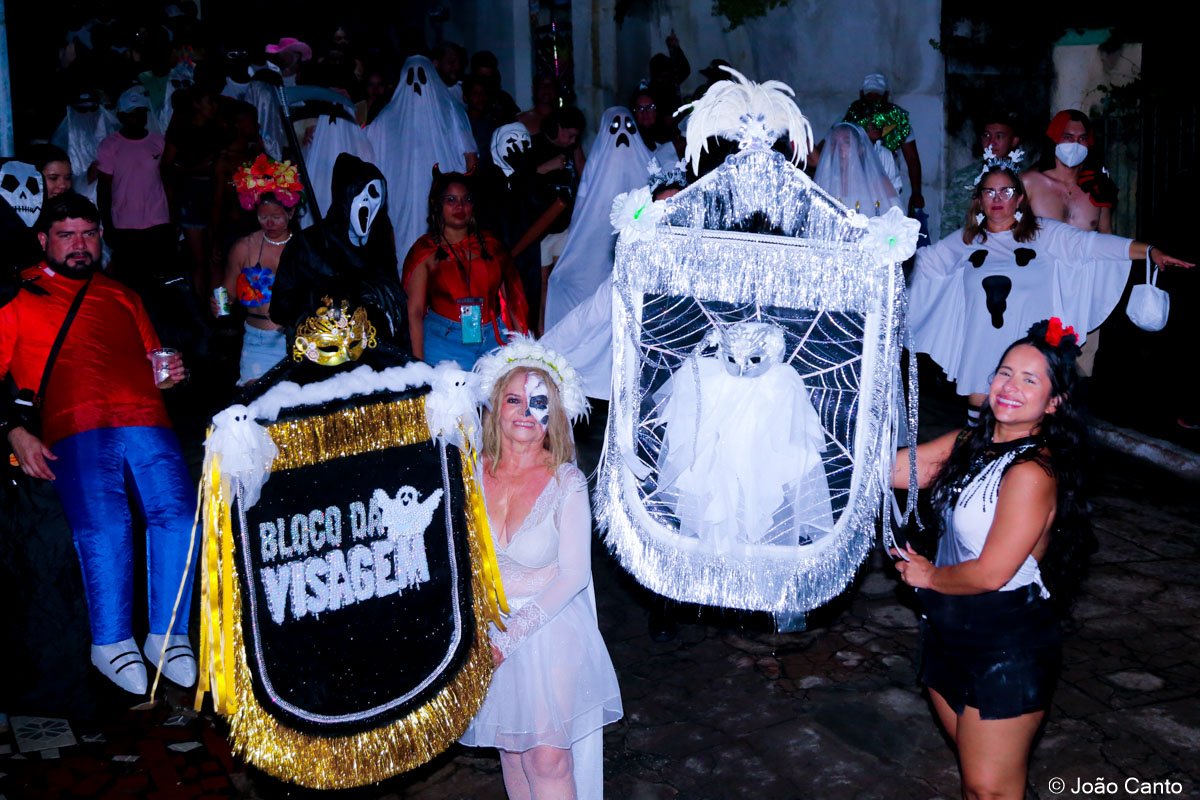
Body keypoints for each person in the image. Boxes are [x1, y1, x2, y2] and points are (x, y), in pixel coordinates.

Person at [889, 319, 1095, 800]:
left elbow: (991, 572)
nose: (1010, 387)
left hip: (1005, 643)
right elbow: (904, 470)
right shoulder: (972, 442)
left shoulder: (1032, 471)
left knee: (990, 790)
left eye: (1030, 380)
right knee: (979, 782)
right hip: (946, 627)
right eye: (1005, 372)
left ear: (1054, 401)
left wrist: (929, 575)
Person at [0, 193, 197, 695]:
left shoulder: (123, 294)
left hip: (149, 419)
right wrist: (15, 431)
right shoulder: (18, 292)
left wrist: (173, 375)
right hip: (77, 423)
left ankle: (169, 634)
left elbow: (160, 368)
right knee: (106, 525)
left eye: (89, 233)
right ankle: (110, 641)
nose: (79, 245)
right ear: (44, 240)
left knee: (177, 517)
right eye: (66, 235)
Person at [461, 342, 622, 800]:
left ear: (556, 414)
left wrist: (510, 638)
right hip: (488, 624)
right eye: (515, 399)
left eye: (539, 403)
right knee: (510, 749)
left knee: (548, 756)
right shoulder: (470, 472)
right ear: (496, 405)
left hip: (547, 626)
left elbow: (574, 576)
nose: (526, 412)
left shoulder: (567, 481)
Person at [908, 163, 1193, 423]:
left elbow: (1093, 246)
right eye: (989, 191)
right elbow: (917, 266)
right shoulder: (963, 241)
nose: (997, 198)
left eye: (1005, 191)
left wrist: (1149, 252)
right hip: (980, 350)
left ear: (1019, 197)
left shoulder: (1045, 234)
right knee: (979, 435)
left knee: (1029, 430)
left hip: (1031, 350)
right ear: (979, 199)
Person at [1021, 110, 1119, 377]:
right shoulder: (1028, 182)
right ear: (1054, 138)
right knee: (1037, 359)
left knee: (1082, 364)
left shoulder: (1097, 188)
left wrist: (1104, 289)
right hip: (1039, 287)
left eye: (1081, 138)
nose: (1075, 144)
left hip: (1085, 287)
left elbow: (1106, 237)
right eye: (1067, 136)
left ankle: (1072, 415)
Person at [402, 170, 528, 365]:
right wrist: (418, 367)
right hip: (444, 342)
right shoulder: (424, 251)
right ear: (437, 205)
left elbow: (513, 299)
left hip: (494, 339)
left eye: (466, 199)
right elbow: (414, 312)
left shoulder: (492, 245)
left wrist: (525, 352)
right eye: (451, 200)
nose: (459, 206)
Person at [211, 155, 301, 383]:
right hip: (258, 342)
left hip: (299, 340)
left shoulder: (304, 248)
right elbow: (226, 293)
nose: (269, 223)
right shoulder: (244, 248)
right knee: (256, 408)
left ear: (290, 213)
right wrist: (219, 305)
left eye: (276, 217)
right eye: (263, 217)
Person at [97, 85, 174, 294]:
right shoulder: (110, 145)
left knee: (157, 282)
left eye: (141, 113)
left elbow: (168, 181)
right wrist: (107, 225)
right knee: (130, 281)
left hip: (157, 221)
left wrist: (173, 221)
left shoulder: (159, 142)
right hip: (125, 224)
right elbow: (104, 188)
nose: (137, 118)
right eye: (132, 114)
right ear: (121, 116)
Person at [843, 73, 923, 212]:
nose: (873, 100)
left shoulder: (898, 121)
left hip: (888, 183)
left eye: (877, 95)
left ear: (886, 95)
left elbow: (912, 159)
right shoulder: (849, 119)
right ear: (861, 95)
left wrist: (916, 192)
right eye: (869, 95)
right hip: (855, 185)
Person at [941, 112, 1024, 240]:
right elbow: (949, 224)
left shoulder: (1025, 179)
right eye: (986, 135)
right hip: (969, 249)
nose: (991, 142)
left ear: (1014, 141)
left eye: (999, 136)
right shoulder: (964, 177)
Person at [812, 122, 900, 215]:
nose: (839, 148)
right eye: (834, 143)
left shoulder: (878, 181)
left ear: (861, 148)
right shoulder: (823, 181)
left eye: (846, 142)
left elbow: (897, 217)